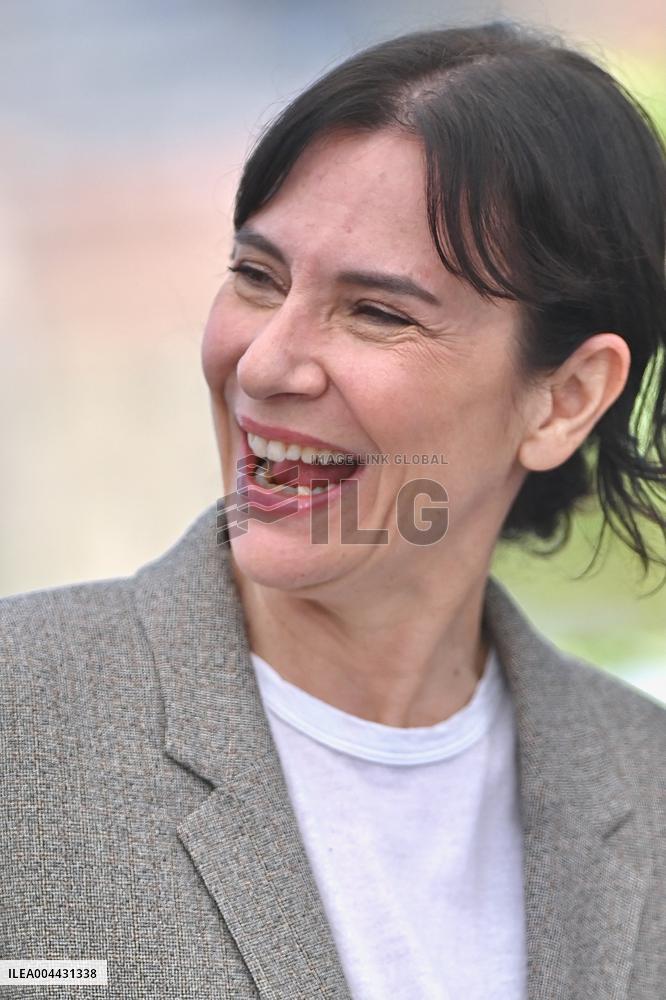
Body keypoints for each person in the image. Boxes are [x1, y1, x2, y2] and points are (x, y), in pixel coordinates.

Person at [1, 20, 665, 1000]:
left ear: (565, 398)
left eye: (379, 312)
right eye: (256, 278)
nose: (264, 362)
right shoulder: (26, 722)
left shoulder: (644, 789)